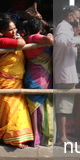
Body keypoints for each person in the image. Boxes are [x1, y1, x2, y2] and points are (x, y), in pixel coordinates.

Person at [53, 6, 80, 144]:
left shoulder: (68, 29)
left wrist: (77, 35)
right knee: (63, 106)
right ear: (70, 16)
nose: (79, 21)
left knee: (66, 106)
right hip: (64, 72)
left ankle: (64, 136)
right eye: (77, 18)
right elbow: (61, 40)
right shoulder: (63, 26)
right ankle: (62, 138)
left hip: (68, 73)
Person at [0, 17, 34, 148]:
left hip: (18, 81)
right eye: (10, 29)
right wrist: (17, 37)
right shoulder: (0, 41)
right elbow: (21, 44)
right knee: (9, 109)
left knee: (20, 110)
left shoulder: (13, 39)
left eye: (15, 28)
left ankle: (21, 137)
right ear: (2, 31)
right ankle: (10, 138)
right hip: (5, 81)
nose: (14, 31)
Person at [23, 18, 55, 146]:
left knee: (35, 108)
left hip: (33, 75)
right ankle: (43, 137)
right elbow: (50, 40)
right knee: (41, 108)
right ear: (40, 29)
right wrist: (50, 32)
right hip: (40, 77)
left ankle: (36, 137)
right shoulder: (34, 38)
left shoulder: (26, 39)